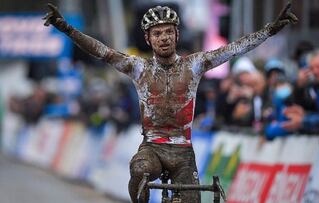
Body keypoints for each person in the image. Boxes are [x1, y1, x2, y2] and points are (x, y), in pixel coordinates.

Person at [43, 3, 298, 202]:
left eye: (168, 32)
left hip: (184, 152)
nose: (163, 38)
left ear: (176, 35)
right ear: (148, 39)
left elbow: (235, 49)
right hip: (152, 147)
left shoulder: (194, 64)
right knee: (140, 169)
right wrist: (67, 28)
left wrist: (270, 30)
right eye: (157, 34)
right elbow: (102, 51)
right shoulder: (138, 67)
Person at [283, 49, 319, 134]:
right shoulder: (316, 86)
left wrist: (303, 120)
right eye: (311, 68)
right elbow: (316, 111)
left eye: (318, 67)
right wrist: (299, 87)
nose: (315, 71)